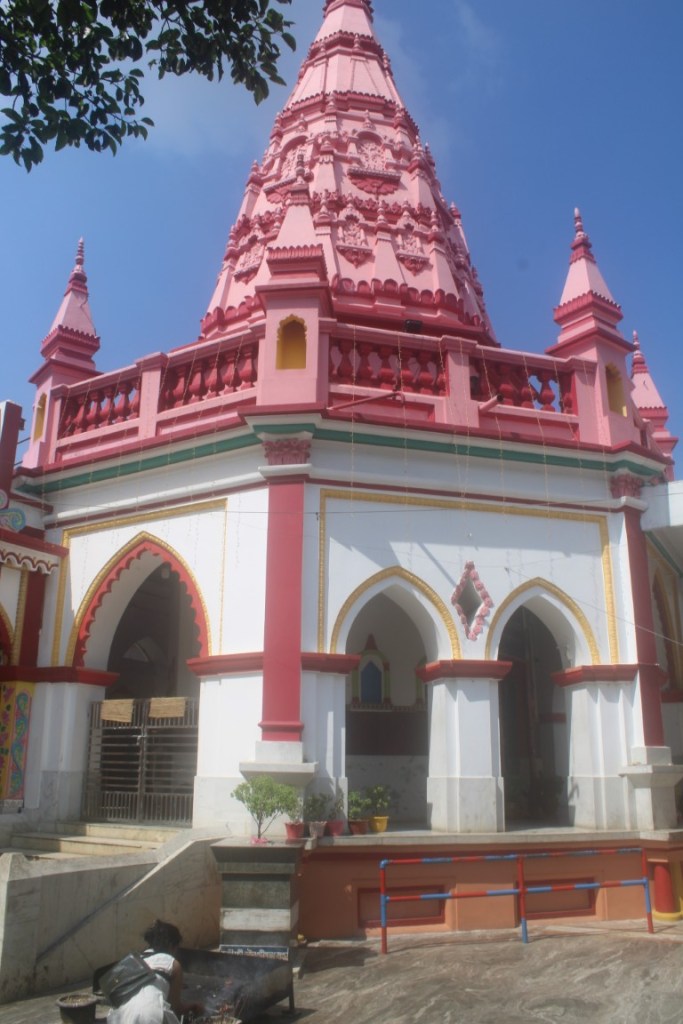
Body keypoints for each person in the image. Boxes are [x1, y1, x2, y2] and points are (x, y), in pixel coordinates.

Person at [107, 920, 202, 1024]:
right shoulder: (172, 964)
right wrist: (193, 1006)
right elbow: (175, 1008)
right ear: (171, 946)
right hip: (150, 1015)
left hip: (121, 1016)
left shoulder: (136, 959)